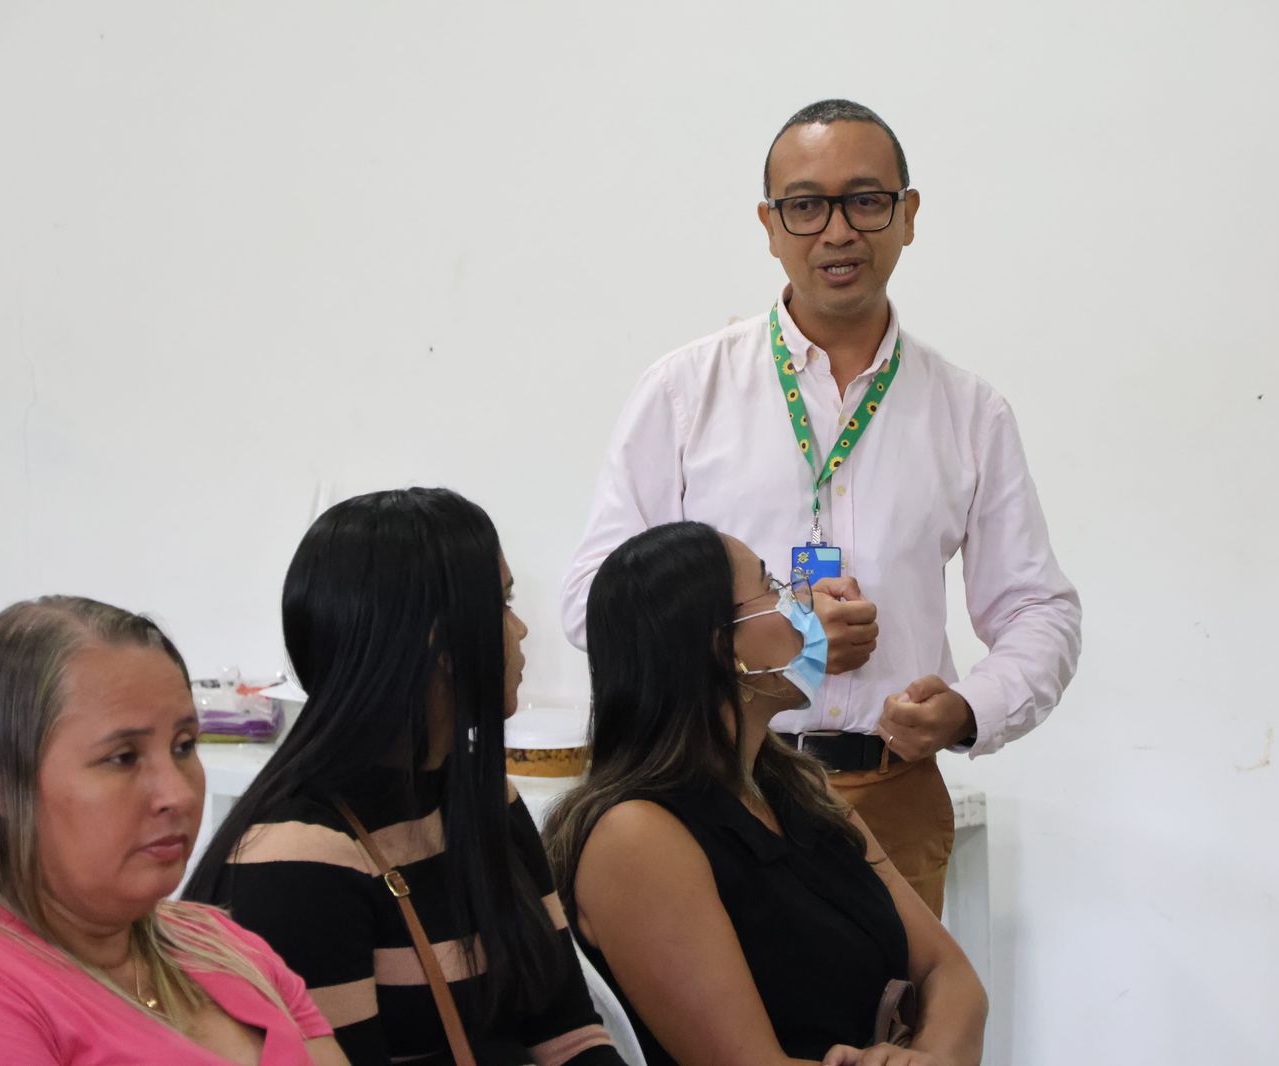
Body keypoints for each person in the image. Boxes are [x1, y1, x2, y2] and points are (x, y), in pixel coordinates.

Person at [561, 98, 1082, 914]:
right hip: (711, 794)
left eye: (866, 200)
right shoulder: (684, 392)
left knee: (906, 1000)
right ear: (769, 226)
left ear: (909, 215)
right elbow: (595, 599)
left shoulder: (969, 412)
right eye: (805, 206)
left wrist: (969, 709)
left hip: (893, 795)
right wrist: (781, 647)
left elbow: (1038, 610)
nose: (837, 232)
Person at [184, 488, 621, 1066]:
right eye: (503, 602)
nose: (519, 630)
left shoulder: (485, 798)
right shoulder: (299, 859)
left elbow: (568, 1029)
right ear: (441, 643)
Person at [545, 521, 987, 1066]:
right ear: (721, 646)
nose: (802, 603)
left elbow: (950, 972)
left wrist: (933, 1057)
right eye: (773, 587)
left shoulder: (800, 788)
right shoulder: (636, 837)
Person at [0, 596, 348, 1066]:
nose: (177, 794)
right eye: (123, 758)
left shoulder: (218, 941)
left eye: (183, 746)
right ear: (2, 781)